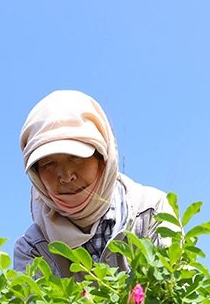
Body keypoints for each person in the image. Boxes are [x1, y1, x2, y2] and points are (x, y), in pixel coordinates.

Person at [12, 90, 172, 279]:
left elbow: (176, 296)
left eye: (76, 156)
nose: (65, 176)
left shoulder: (150, 211)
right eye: (49, 163)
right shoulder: (33, 248)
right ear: (36, 175)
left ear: (103, 158)